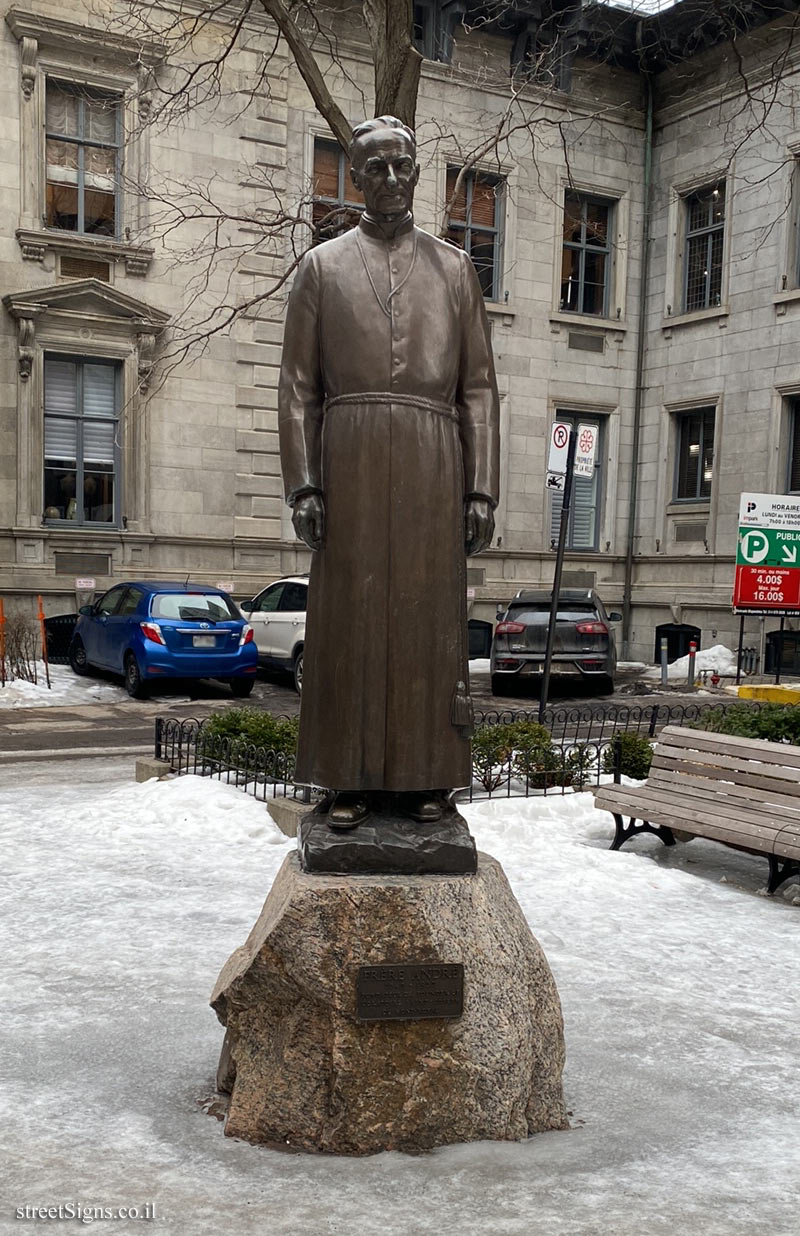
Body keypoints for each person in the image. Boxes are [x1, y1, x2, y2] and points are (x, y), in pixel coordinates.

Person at [279, 116, 500, 829]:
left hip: (435, 459)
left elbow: (478, 389)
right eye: (374, 167)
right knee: (349, 618)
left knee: (427, 621)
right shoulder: (322, 267)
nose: (390, 179)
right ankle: (347, 779)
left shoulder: (454, 268)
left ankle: (427, 776)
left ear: (415, 170)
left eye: (401, 165)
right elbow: (296, 388)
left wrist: (480, 488)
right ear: (355, 175)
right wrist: (304, 483)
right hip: (348, 457)